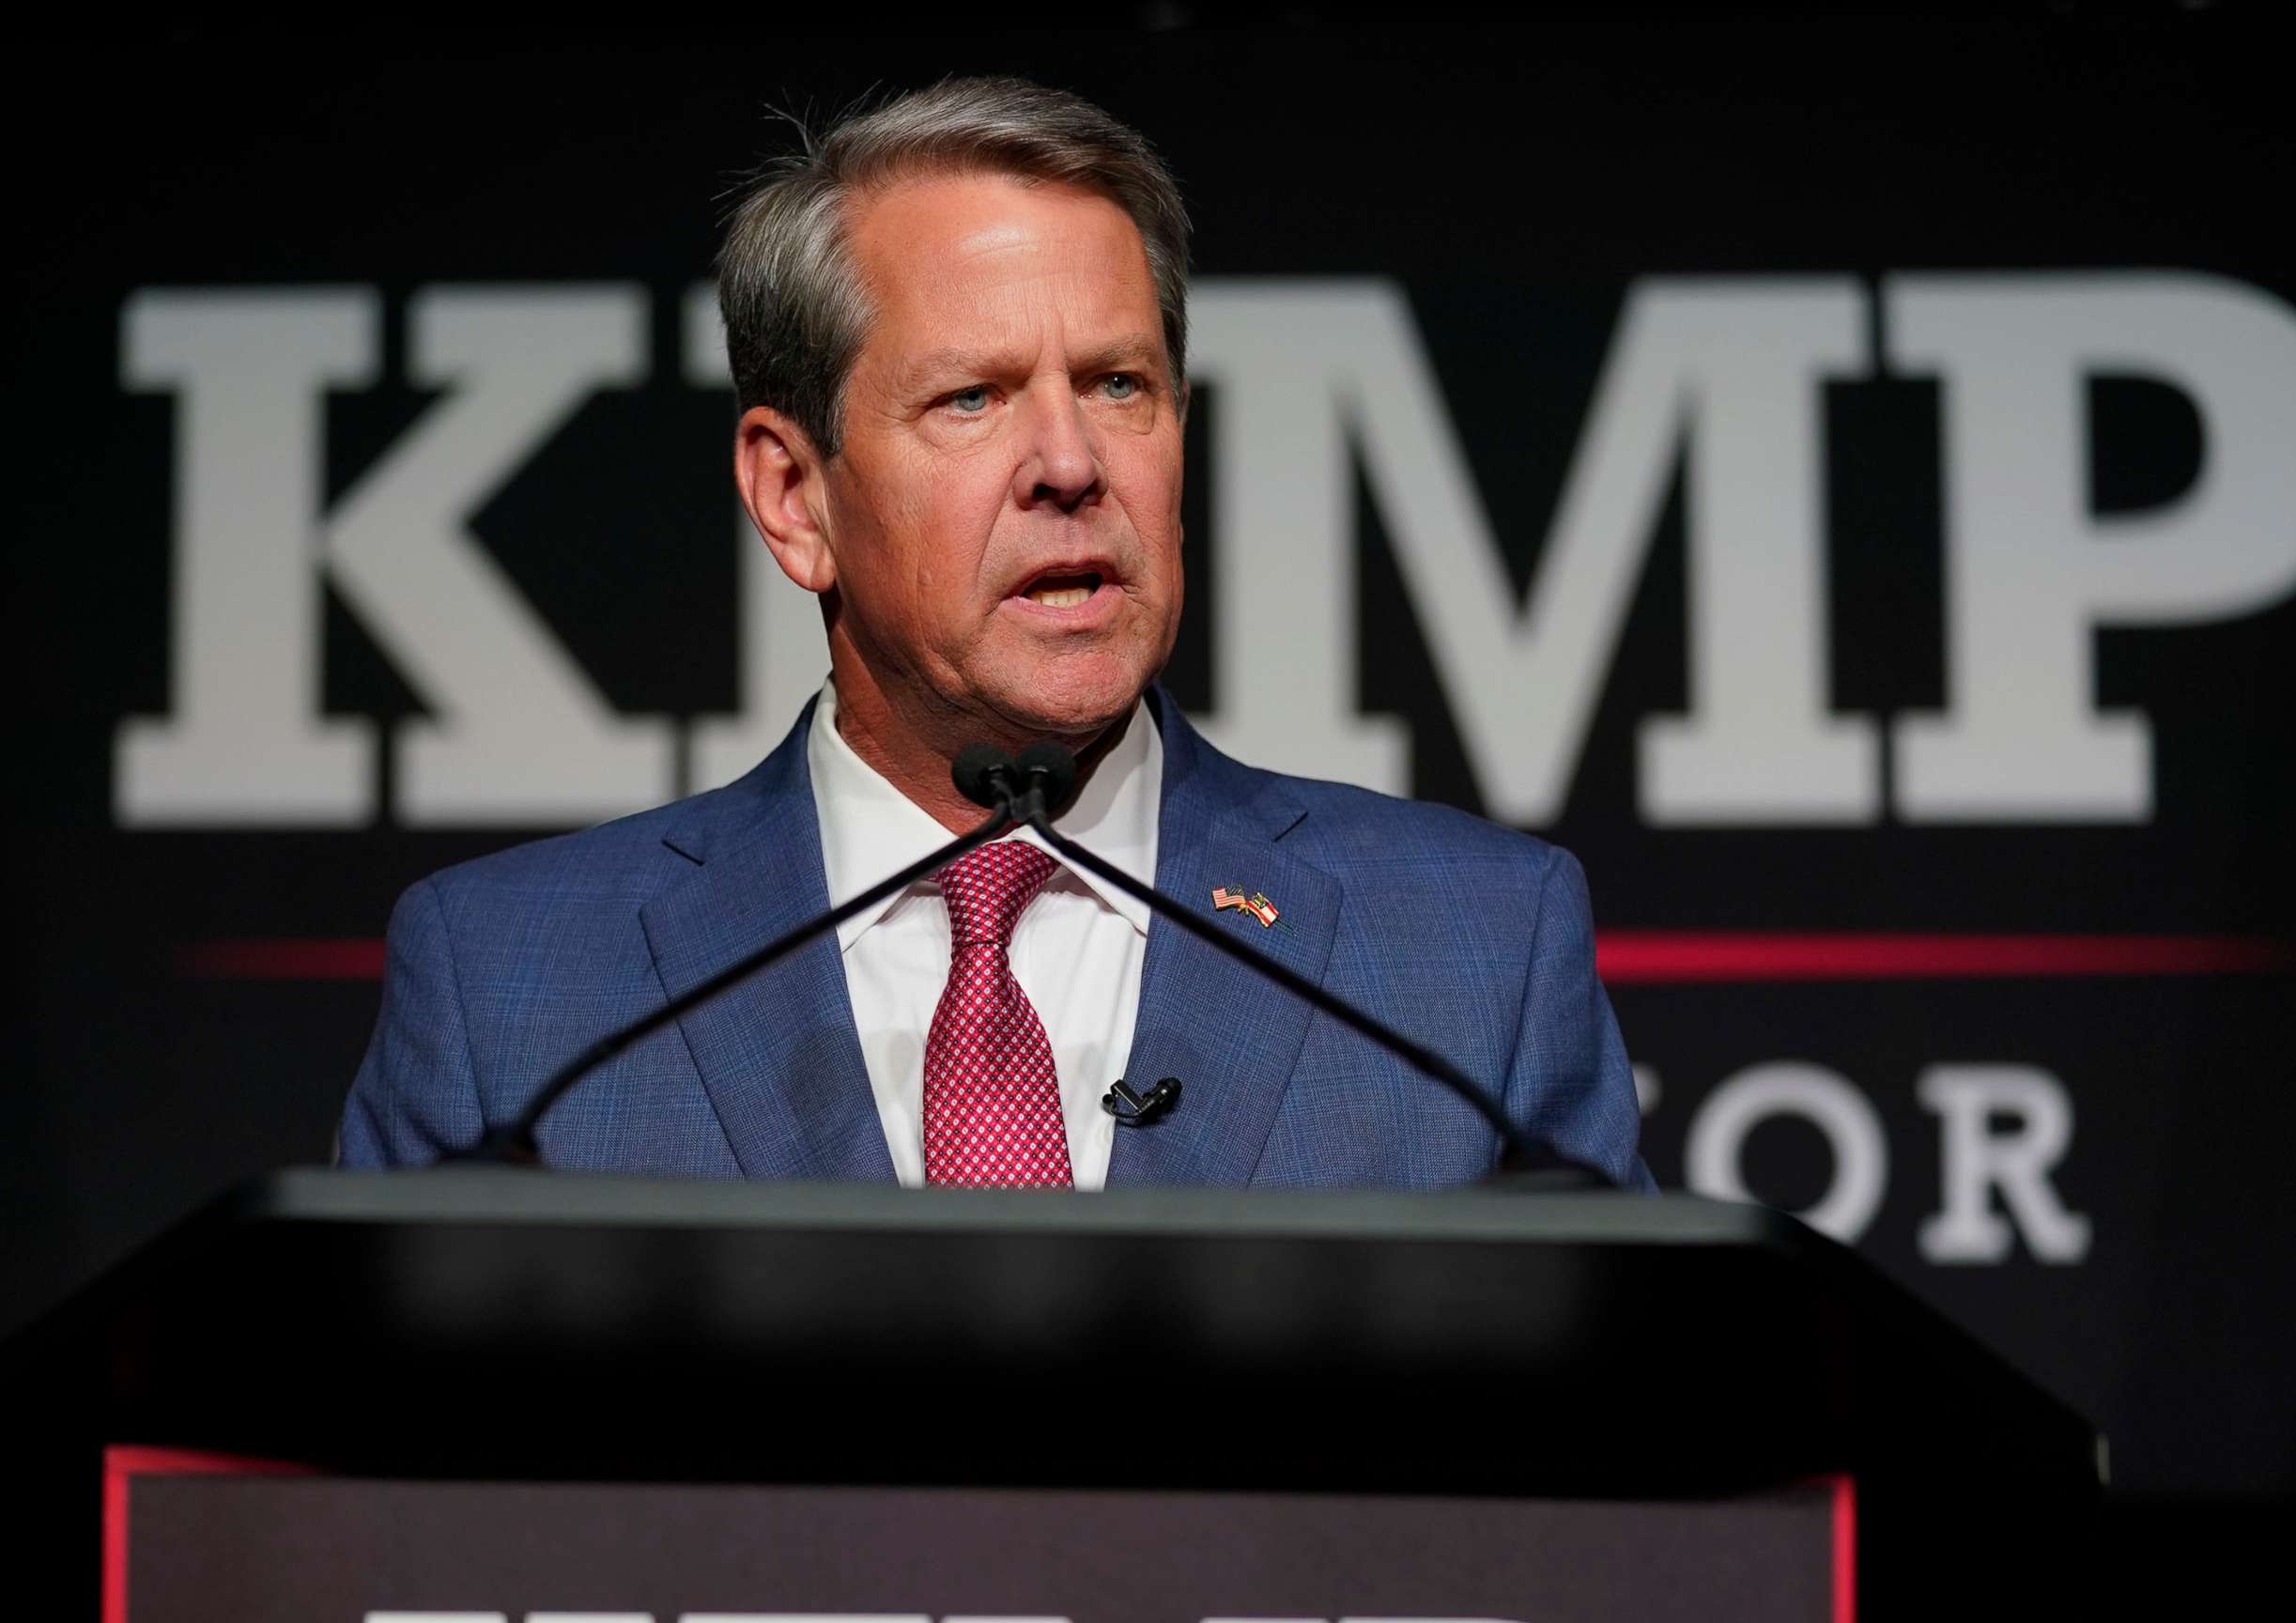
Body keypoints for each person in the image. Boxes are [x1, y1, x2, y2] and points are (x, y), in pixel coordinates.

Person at [337, 76, 1653, 1192]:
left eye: (1119, 384)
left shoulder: (1469, 956)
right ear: (795, 498)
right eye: (973, 399)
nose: (1071, 465)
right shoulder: (515, 996)